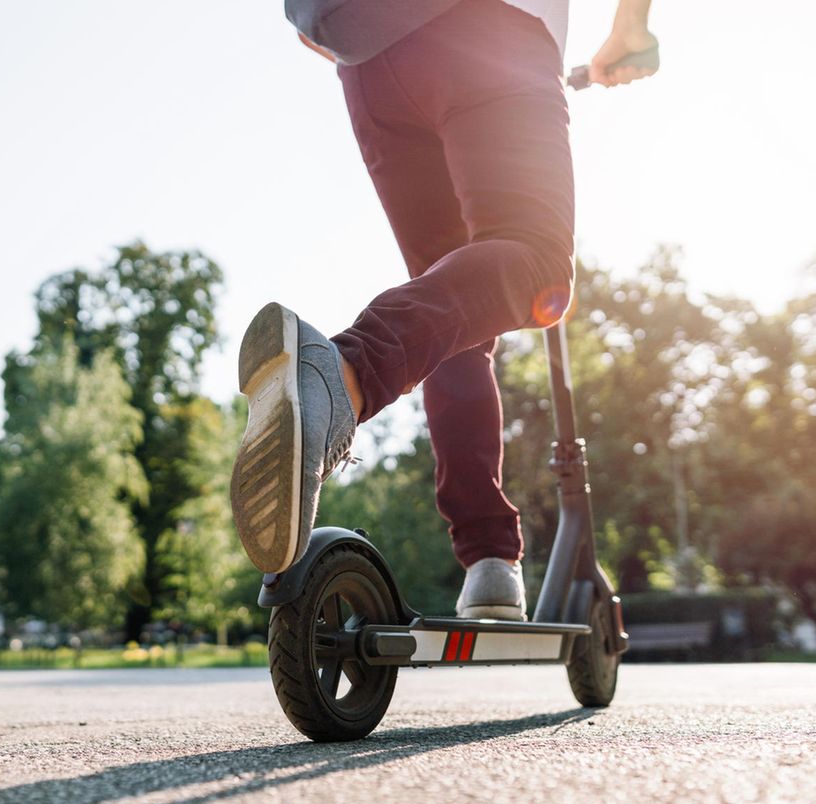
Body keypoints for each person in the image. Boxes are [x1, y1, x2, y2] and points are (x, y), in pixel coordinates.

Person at [231, 0, 658, 620]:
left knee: (454, 305)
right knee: (537, 263)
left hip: (365, 62)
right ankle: (343, 375)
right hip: (492, 32)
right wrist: (629, 28)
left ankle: (490, 561)